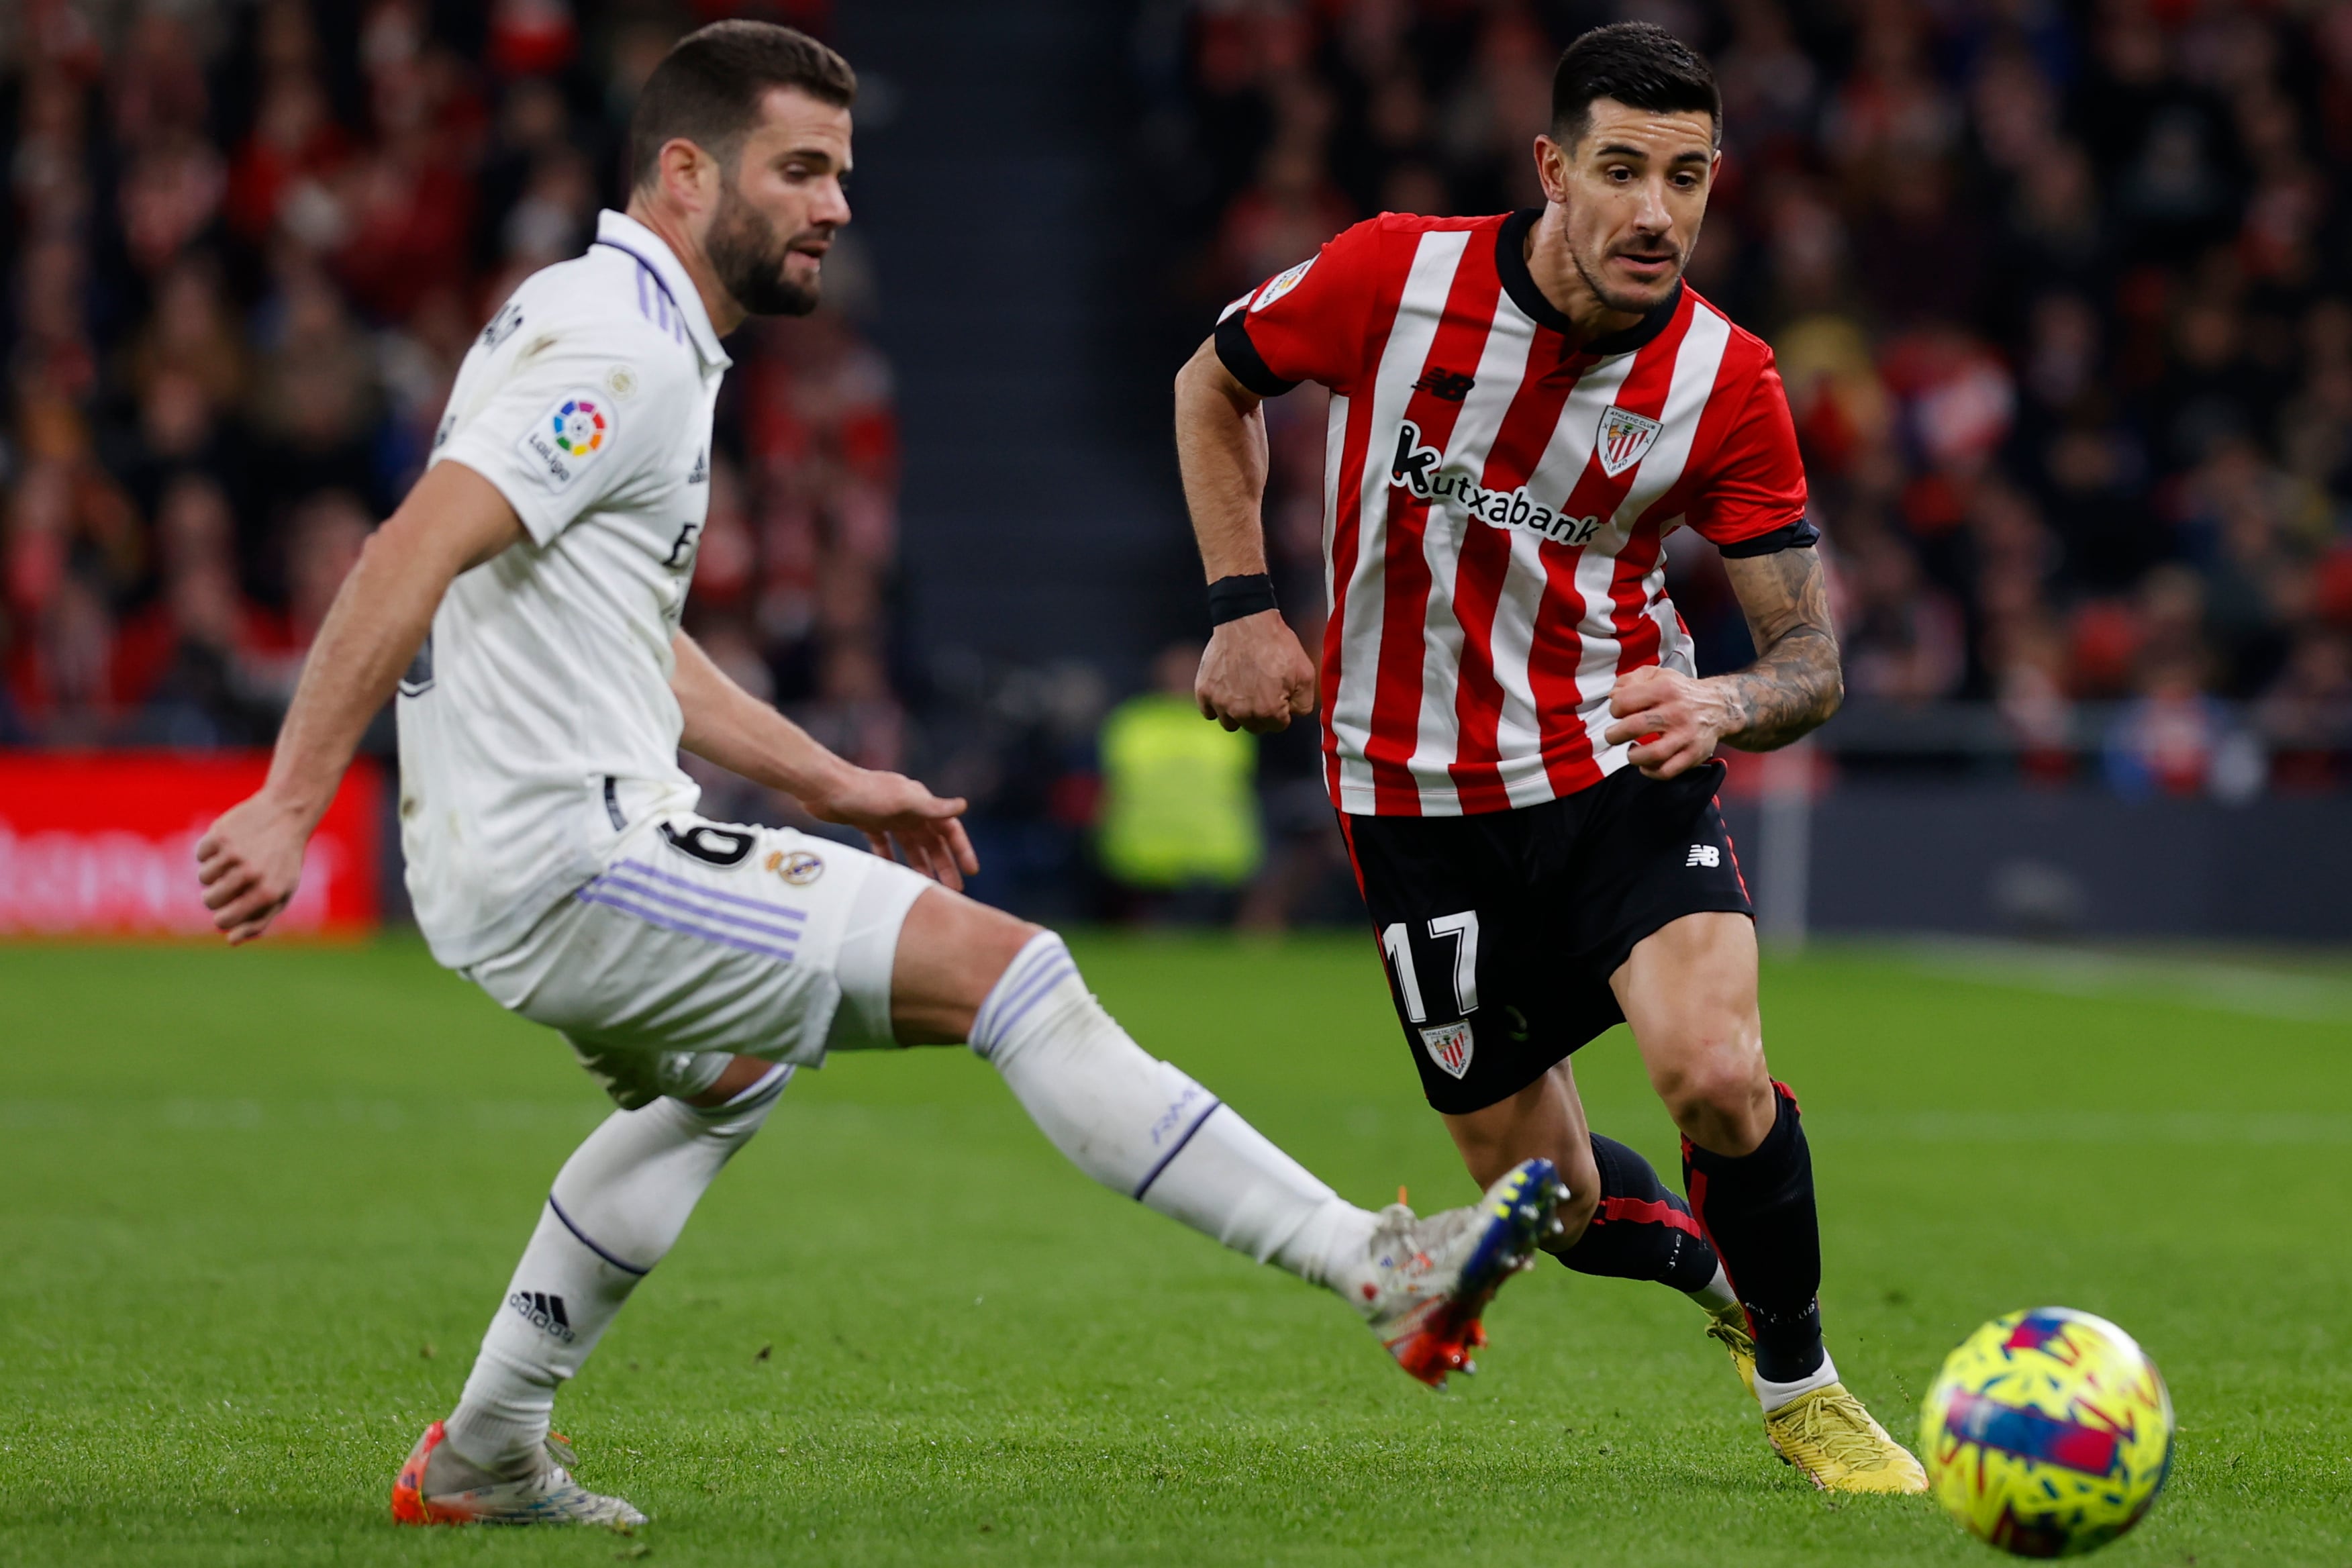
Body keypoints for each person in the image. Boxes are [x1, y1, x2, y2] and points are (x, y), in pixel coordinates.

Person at [192, 23, 1561, 1531]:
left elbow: (626, 638)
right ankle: (1376, 1268)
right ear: (687, 171)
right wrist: (288, 797)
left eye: (842, 172)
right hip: (570, 852)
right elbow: (411, 549)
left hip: (533, 849)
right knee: (1015, 973)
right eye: (801, 170)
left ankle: (484, 1455)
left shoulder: (589, 317)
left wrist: (836, 781)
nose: (837, 205)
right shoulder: (619, 347)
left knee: (728, 1074)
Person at [1172, 21, 1924, 1493]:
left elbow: (1812, 659)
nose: (1657, 210)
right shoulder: (1394, 277)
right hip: (1411, 802)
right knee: (1556, 1204)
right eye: (1624, 169)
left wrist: (1723, 705)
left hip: (1613, 774)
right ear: (1553, 168)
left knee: (1716, 1074)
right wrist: (1240, 606)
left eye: (1689, 178)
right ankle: (1723, 1285)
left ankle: (1805, 1383)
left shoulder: (1730, 380)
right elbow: (1214, 381)